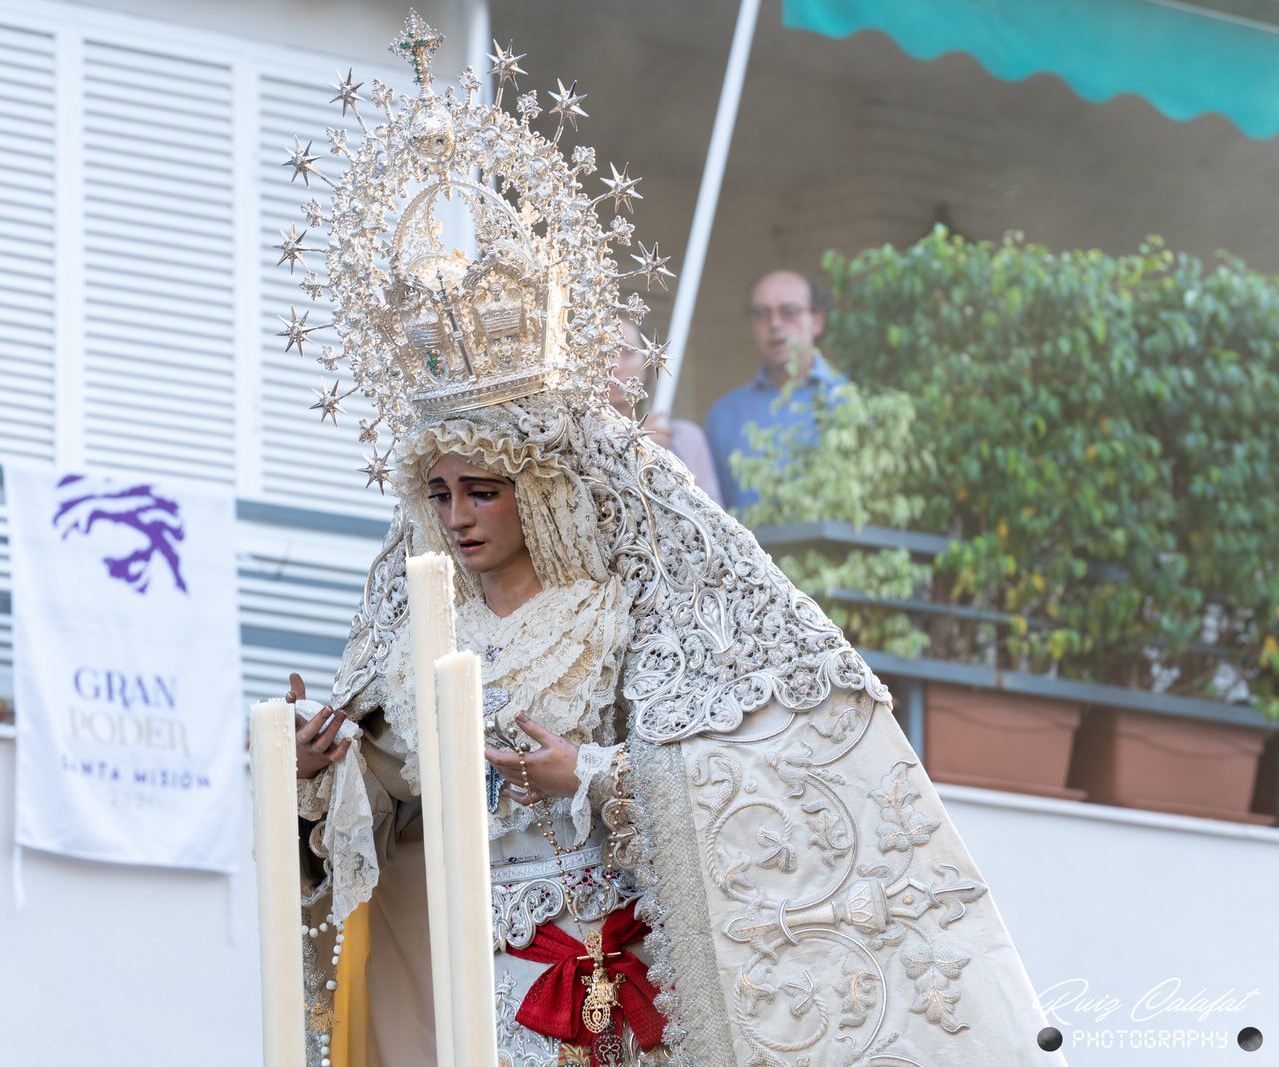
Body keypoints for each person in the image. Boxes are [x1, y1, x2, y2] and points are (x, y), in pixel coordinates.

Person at [275, 19, 1062, 1066]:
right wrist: (314, 766)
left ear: (539, 489)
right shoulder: (409, 634)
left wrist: (590, 774)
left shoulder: (625, 602)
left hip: (609, 971)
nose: (459, 515)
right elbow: (379, 819)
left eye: (483, 490)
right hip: (457, 977)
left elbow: (747, 770)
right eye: (439, 492)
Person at [704, 269, 847, 513]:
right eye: (761, 314)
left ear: (818, 321)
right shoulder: (725, 414)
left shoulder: (850, 401)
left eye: (789, 312)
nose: (775, 324)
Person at [608, 316, 724, 506]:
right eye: (603, 354)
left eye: (628, 352)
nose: (615, 366)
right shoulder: (569, 440)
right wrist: (633, 451)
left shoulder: (684, 439)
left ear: (649, 359)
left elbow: (714, 521)